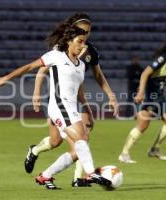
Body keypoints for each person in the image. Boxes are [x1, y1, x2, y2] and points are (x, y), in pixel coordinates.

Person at [0, 25, 112, 189]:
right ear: (69, 41)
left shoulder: (81, 66)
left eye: (84, 42)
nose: (83, 46)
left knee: (78, 151)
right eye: (80, 41)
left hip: (71, 108)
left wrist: (88, 109)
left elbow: (79, 91)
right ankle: (91, 173)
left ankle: (45, 176)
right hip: (59, 106)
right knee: (82, 138)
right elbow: (30, 67)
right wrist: (6, 78)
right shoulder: (56, 56)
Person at [25, 13, 118, 187]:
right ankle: (35, 150)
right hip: (56, 98)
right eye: (82, 30)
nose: (85, 34)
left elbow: (97, 75)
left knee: (82, 138)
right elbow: (41, 70)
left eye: (88, 31)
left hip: (76, 97)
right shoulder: (61, 48)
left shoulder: (90, 51)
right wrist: (36, 93)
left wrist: (110, 96)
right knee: (55, 141)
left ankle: (78, 178)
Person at [118, 36, 166, 163]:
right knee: (143, 124)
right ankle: (124, 154)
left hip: (160, 95)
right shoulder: (162, 58)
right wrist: (140, 92)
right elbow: (145, 73)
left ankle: (155, 149)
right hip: (152, 94)